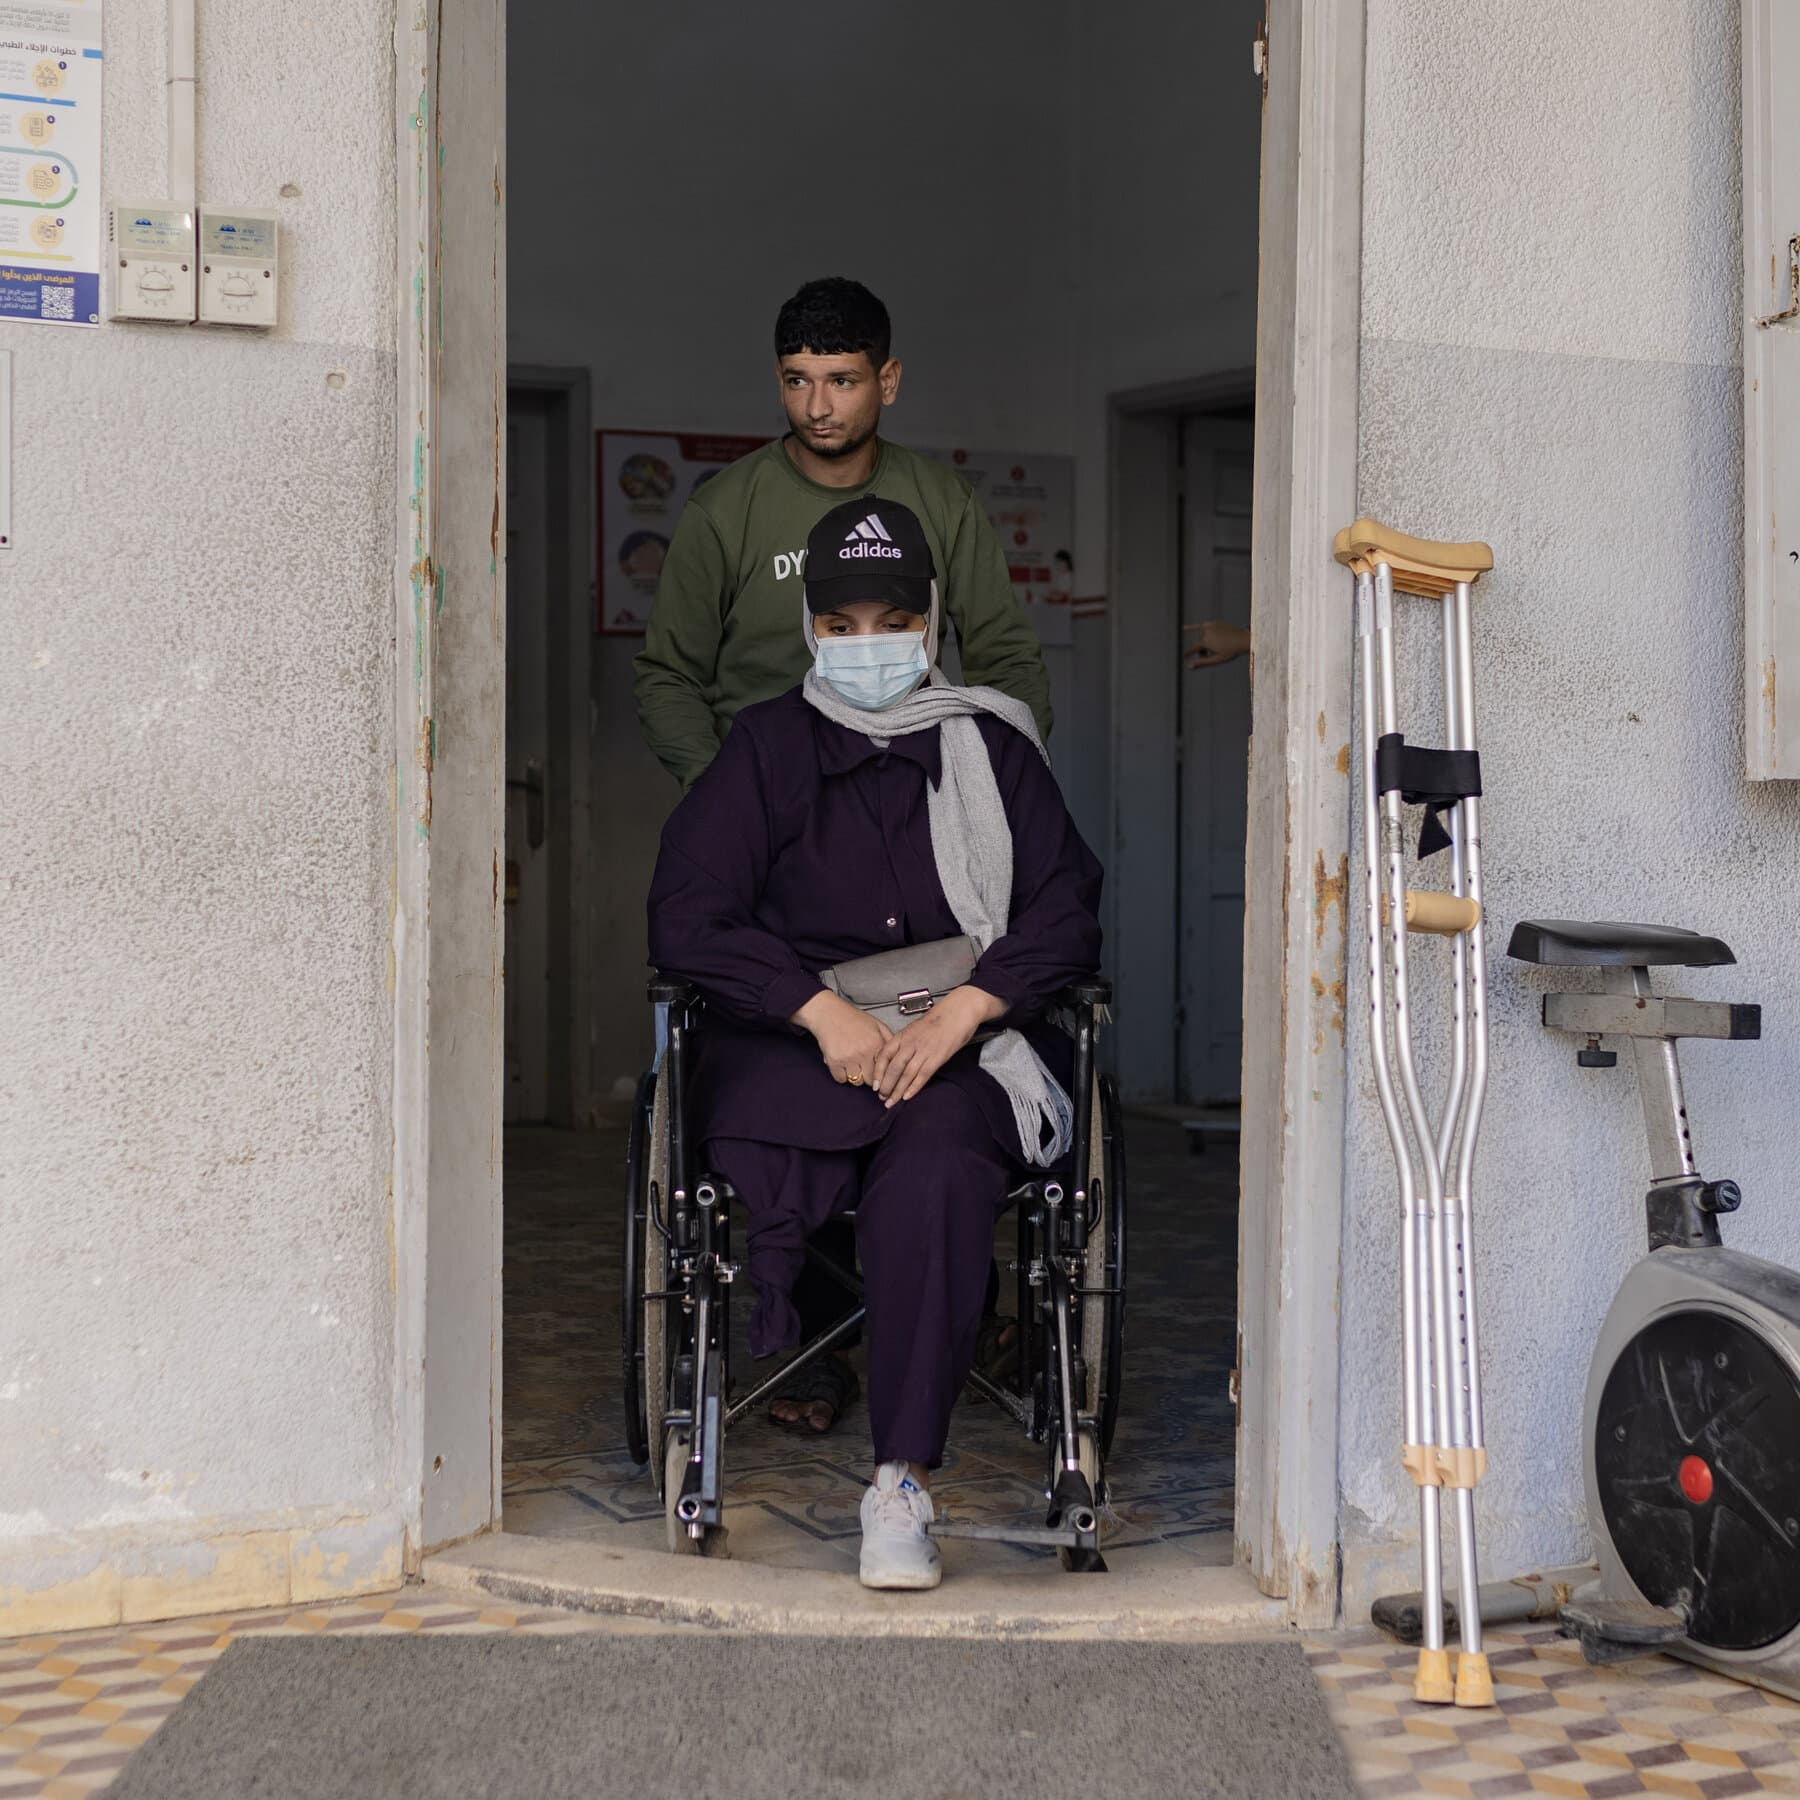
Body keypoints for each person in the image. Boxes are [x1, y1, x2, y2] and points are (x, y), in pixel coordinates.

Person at [646, 496, 1102, 1589]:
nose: (866, 646)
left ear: (932, 621)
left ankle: (899, 1481)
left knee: (939, 1161)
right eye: (841, 625)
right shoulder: (763, 749)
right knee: (783, 1123)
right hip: (798, 1038)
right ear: (811, 631)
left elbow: (1066, 910)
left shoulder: (990, 745)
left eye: (890, 620)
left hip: (960, 1042)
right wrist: (818, 1012)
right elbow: (687, 914)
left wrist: (968, 1009)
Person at [635, 276, 1050, 1434]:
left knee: (946, 1101)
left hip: (925, 818)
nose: (820, 404)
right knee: (788, 1061)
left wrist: (988, 788)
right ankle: (803, 1342)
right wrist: (736, 793)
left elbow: (1006, 649)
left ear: (888, 380)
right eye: (799, 381)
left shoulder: (939, 502)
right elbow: (668, 672)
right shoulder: (730, 510)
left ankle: (949, 1314)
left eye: (844, 379)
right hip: (772, 833)